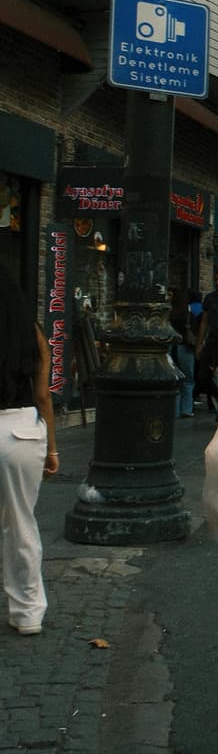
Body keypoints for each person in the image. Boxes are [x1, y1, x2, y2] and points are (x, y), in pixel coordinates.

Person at [0, 268, 59, 635]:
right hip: (21, 430)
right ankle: (27, 613)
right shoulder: (32, 333)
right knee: (21, 523)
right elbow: (42, 395)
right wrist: (52, 447)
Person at [196, 267, 218, 415]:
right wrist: (199, 343)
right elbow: (204, 321)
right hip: (212, 340)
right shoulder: (209, 298)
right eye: (216, 279)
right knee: (202, 376)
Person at [168, 287, 197, 417]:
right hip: (186, 347)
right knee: (188, 380)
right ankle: (187, 409)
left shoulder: (170, 313)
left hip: (171, 347)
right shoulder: (189, 312)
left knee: (175, 379)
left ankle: (174, 411)